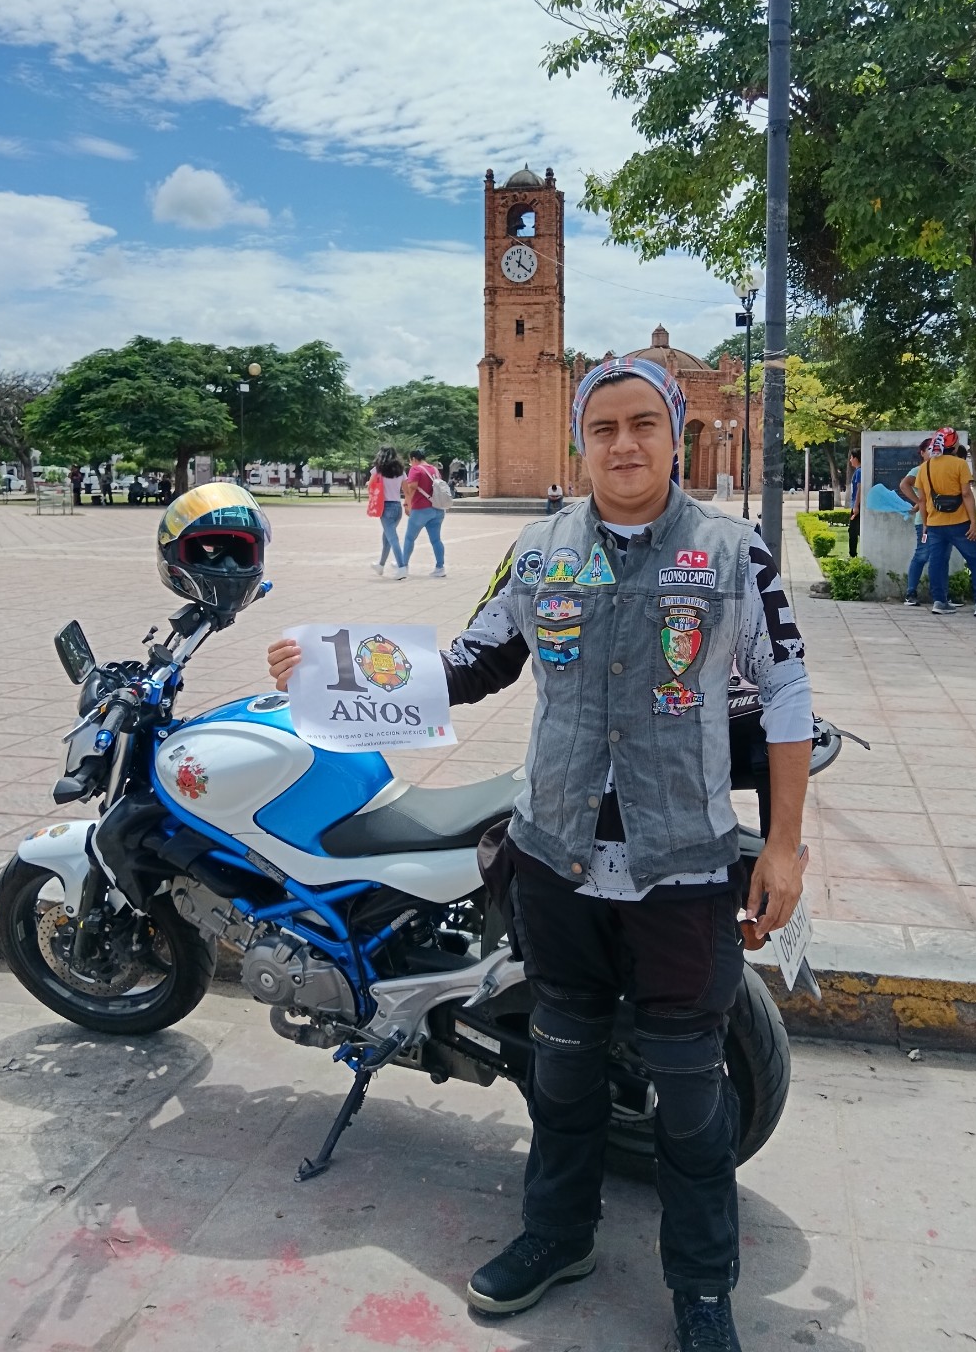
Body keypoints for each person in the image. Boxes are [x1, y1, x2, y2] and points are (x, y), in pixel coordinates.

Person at [267, 356, 812, 1352]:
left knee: (691, 1093)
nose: (625, 445)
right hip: (555, 860)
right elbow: (474, 661)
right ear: (580, 440)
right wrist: (327, 674)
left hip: (681, 870)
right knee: (562, 1066)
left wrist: (784, 844)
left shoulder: (732, 554)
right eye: (603, 428)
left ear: (675, 428)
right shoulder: (538, 550)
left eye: (644, 423)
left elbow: (784, 694)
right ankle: (556, 1235)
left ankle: (701, 1287)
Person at [914, 428, 976, 617]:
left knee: (936, 563)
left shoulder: (925, 467)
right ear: (954, 445)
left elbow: (922, 500)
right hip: (961, 523)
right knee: (975, 561)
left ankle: (939, 601)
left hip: (935, 525)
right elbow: (966, 494)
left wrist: (925, 523)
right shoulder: (960, 465)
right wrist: (974, 522)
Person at [898, 438, 933, 605]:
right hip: (924, 522)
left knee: (940, 558)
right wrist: (919, 501)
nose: (933, 453)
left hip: (943, 522)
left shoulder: (941, 469)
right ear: (922, 452)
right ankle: (910, 593)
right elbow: (904, 485)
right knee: (922, 554)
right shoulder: (918, 470)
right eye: (930, 450)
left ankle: (941, 594)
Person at [401, 448, 446, 577]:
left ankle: (404, 566)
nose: (411, 464)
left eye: (410, 461)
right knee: (436, 539)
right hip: (438, 509)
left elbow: (412, 487)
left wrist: (407, 504)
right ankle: (440, 567)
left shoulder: (416, 469)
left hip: (421, 509)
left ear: (414, 459)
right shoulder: (435, 470)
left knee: (409, 538)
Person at [368, 447, 408, 581]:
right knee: (387, 537)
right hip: (397, 507)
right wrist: (408, 504)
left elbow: (370, 486)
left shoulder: (378, 469)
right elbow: (406, 490)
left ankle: (402, 567)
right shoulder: (401, 470)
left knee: (392, 538)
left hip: (385, 507)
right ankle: (380, 565)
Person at [846, 447, 861, 557]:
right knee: (853, 531)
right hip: (856, 504)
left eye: (851, 457)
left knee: (853, 532)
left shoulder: (859, 471)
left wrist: (856, 507)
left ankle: (853, 555)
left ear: (856, 458)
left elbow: (860, 488)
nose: (850, 460)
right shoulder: (858, 471)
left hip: (857, 505)